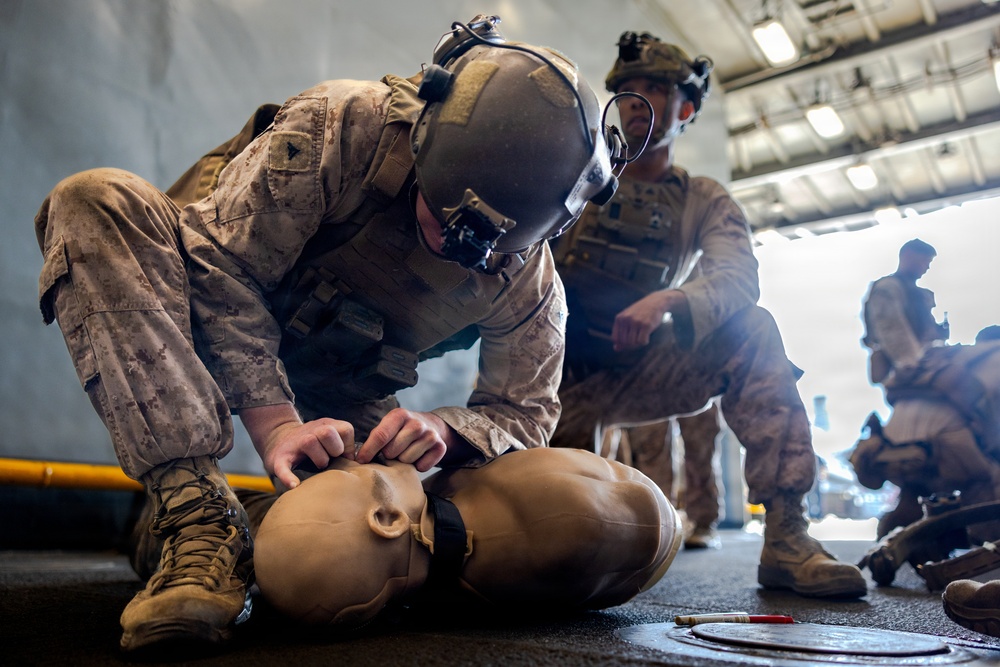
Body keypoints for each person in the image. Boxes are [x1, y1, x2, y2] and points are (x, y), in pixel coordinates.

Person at [33, 15, 620, 654]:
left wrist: (449, 431)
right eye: (437, 211)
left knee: (350, 541)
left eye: (475, 245)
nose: (444, 243)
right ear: (424, 137)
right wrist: (278, 425)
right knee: (95, 201)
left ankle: (214, 537)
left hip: (342, 377)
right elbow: (224, 267)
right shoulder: (343, 126)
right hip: (201, 304)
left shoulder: (529, 276)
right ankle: (195, 517)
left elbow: (527, 409)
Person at [549, 31, 867, 598]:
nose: (637, 103)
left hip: (642, 369)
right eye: (627, 91)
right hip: (548, 378)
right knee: (537, 539)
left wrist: (671, 300)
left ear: (686, 109)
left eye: (655, 90)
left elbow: (739, 277)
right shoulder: (572, 173)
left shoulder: (701, 198)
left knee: (754, 330)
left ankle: (787, 536)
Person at [250, 447, 682, 628]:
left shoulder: (420, 593)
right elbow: (653, 523)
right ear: (386, 519)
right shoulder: (561, 518)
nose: (351, 460)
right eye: (353, 476)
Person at [618, 402, 724, 550]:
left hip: (694, 380)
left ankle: (703, 524)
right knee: (651, 448)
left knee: (700, 447)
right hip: (651, 385)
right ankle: (660, 524)